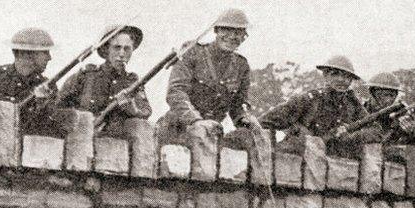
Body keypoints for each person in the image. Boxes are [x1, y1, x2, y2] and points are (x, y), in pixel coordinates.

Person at [160, 8, 257, 148]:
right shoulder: (193, 52)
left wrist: (246, 119)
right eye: (226, 30)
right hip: (179, 128)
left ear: (244, 37)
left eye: (238, 32)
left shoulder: (241, 66)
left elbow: (238, 104)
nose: (232, 36)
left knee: (250, 136)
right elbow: (176, 92)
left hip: (212, 132)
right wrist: (195, 120)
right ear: (216, 31)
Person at [259, 55, 380, 159]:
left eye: (347, 76)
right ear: (325, 75)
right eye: (335, 74)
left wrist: (350, 135)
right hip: (302, 166)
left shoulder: (353, 105)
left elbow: (376, 131)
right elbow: (265, 122)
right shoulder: (309, 100)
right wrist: (301, 135)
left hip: (337, 167)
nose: (341, 80)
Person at [56, 24, 151, 135]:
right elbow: (58, 107)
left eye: (127, 49)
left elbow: (146, 112)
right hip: (84, 143)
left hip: (118, 145)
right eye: (117, 47)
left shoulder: (132, 81)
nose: (121, 54)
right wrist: (82, 121)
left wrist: (133, 110)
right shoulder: (86, 75)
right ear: (106, 49)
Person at [364, 72, 415, 146]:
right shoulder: (359, 110)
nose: (388, 100)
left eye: (392, 95)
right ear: (372, 93)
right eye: (385, 95)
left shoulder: (400, 114)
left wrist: (411, 132)